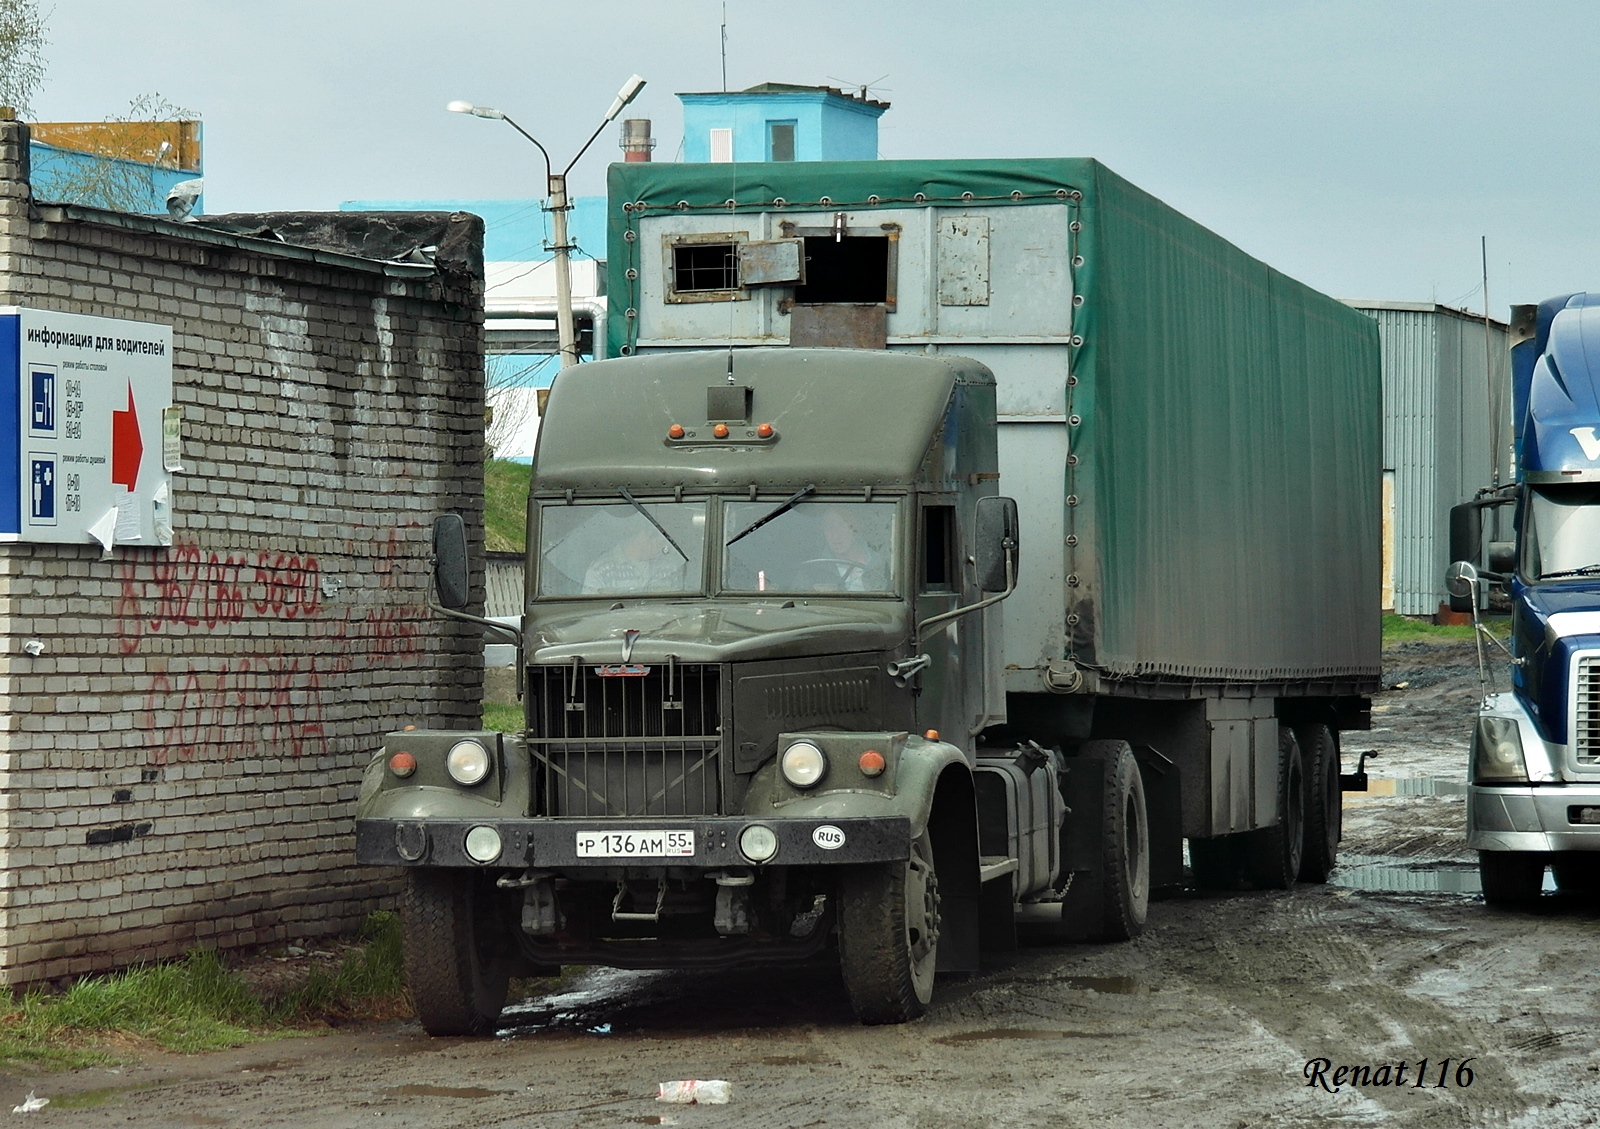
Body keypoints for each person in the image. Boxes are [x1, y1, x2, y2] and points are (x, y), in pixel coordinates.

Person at [582, 523, 687, 594]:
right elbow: (589, 612)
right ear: (643, 536)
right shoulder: (601, 570)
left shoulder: (670, 568)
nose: (664, 549)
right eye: (661, 543)